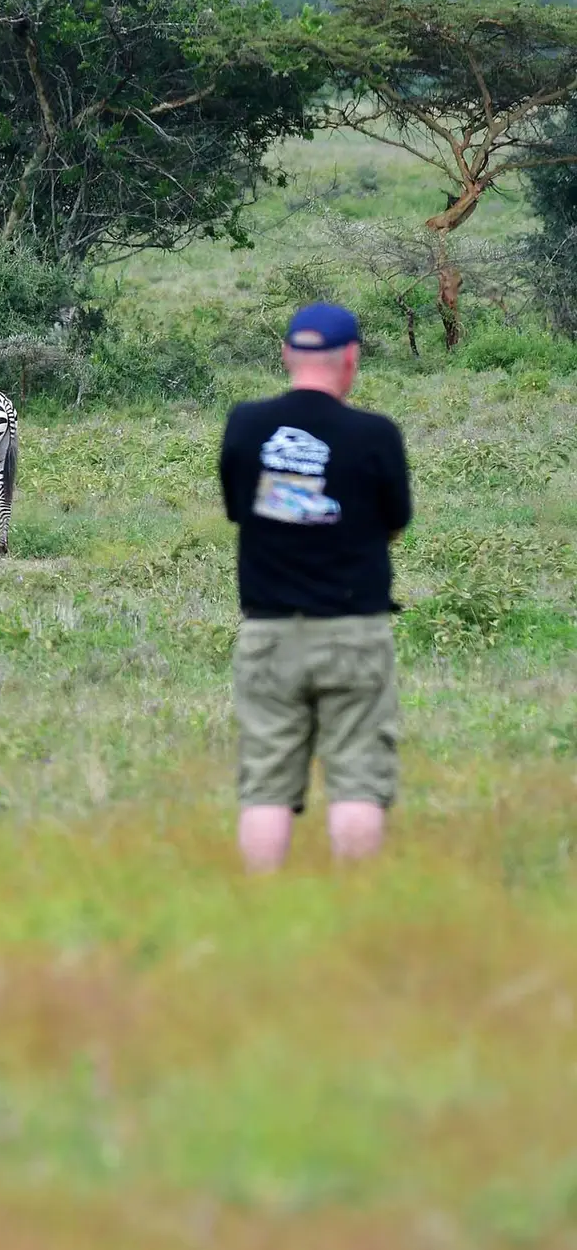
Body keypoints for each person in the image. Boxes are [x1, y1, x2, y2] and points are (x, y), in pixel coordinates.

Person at [218, 302, 412, 873]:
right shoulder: (374, 433)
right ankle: (353, 910)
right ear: (351, 359)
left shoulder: (246, 424)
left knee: (266, 785)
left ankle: (259, 909)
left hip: (269, 629)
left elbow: (239, 511)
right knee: (357, 779)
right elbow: (396, 520)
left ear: (285, 354)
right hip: (354, 628)